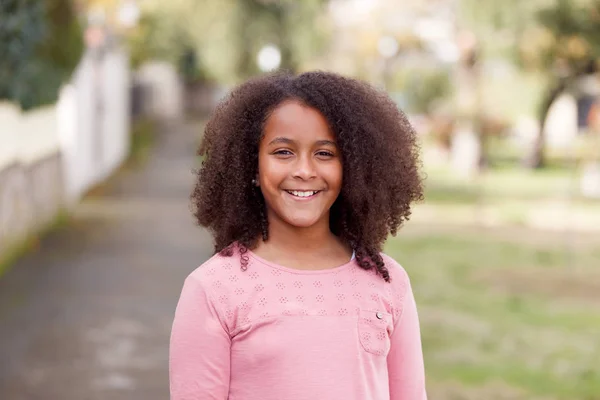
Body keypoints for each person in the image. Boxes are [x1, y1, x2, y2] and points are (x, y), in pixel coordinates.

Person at [170, 71, 427, 400]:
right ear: (251, 166)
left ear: (354, 167)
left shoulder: (387, 282)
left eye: (324, 153)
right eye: (283, 152)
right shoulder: (214, 289)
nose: (304, 171)